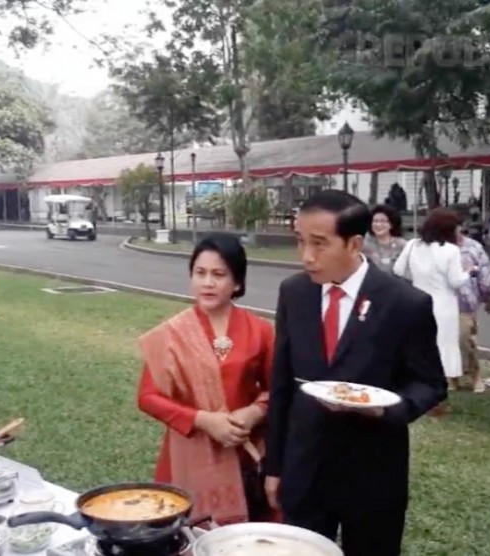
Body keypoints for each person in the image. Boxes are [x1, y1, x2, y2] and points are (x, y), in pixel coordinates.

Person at [264, 190, 447, 556]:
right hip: (306, 465)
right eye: (300, 241)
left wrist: (386, 409)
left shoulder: (404, 302)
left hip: (373, 471)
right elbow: (282, 383)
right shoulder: (294, 292)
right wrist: (275, 466)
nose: (306, 257)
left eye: (319, 244)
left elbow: (430, 384)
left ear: (354, 243)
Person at [137, 233, 275, 524]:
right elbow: (148, 398)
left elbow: (278, 390)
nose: (207, 283)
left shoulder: (260, 330)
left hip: (244, 456)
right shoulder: (172, 334)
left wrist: (253, 412)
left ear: (237, 282)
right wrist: (203, 420)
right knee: (187, 535)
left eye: (218, 274)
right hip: (188, 456)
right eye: (200, 273)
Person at [393, 208, 471, 390]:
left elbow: (398, 270)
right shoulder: (451, 250)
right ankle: (447, 380)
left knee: (421, 342)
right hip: (444, 303)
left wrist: (417, 278)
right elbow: (455, 281)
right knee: (445, 343)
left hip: (418, 300)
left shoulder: (413, 245)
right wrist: (468, 272)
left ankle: (418, 376)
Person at [456, 222, 490, 393]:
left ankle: (475, 375)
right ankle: (452, 378)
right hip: (441, 301)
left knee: (465, 339)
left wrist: (488, 298)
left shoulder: (473, 247)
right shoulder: (438, 247)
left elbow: (486, 275)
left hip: (466, 302)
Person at [361, 204, 406, 274]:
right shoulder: (363, 245)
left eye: (383, 221)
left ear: (391, 224)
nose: (378, 225)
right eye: (375, 221)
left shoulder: (403, 245)